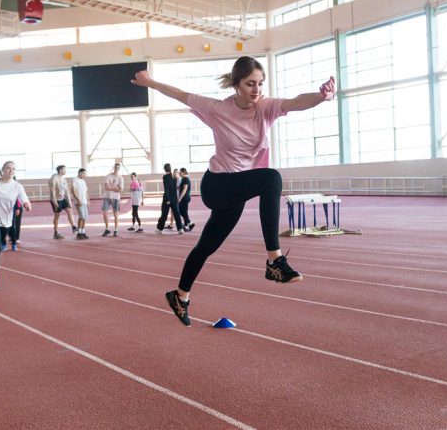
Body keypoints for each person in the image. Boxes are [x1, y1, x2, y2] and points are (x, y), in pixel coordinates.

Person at [131, 56, 335, 326]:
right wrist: (149, 82)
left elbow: (295, 102)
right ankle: (274, 260)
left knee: (206, 247)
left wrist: (321, 97)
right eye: (250, 84)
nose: (256, 89)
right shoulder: (217, 109)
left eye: (260, 83)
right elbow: (180, 94)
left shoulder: (265, 107)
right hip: (216, 185)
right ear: (236, 84)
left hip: (236, 190)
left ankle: (180, 296)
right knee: (271, 178)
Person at [49, 165, 76, 239]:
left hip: (62, 199)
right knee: (57, 215)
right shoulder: (54, 178)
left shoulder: (63, 179)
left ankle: (73, 226)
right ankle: (56, 232)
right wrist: (54, 201)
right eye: (64, 170)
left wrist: (69, 202)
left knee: (70, 211)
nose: (65, 171)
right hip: (56, 200)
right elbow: (52, 190)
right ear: (60, 170)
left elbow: (66, 191)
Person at [155, 163, 184, 235]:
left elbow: (166, 189)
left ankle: (160, 229)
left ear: (164, 169)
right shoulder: (174, 176)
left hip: (167, 199)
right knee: (176, 213)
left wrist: (168, 199)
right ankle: (180, 229)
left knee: (164, 214)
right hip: (174, 198)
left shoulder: (165, 177)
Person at [101, 162, 124, 237]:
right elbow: (106, 187)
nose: (117, 168)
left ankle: (116, 230)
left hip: (116, 197)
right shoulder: (108, 176)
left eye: (118, 167)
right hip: (107, 196)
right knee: (104, 213)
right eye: (116, 167)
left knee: (116, 214)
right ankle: (107, 229)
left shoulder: (121, 178)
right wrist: (115, 188)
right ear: (114, 167)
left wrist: (111, 187)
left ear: (119, 169)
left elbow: (120, 190)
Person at [72, 168, 90, 239]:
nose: (85, 175)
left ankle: (83, 232)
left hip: (85, 201)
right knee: (81, 216)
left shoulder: (83, 182)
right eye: (84, 173)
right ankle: (79, 233)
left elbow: (86, 192)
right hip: (79, 201)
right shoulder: (74, 180)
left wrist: (88, 200)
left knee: (84, 217)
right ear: (80, 173)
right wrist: (78, 199)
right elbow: (73, 190)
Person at [178, 167, 195, 232]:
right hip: (184, 198)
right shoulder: (183, 179)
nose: (179, 173)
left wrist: (179, 198)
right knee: (182, 211)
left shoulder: (185, 179)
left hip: (185, 198)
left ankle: (188, 224)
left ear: (183, 172)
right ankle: (189, 224)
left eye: (180, 172)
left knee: (183, 212)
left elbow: (184, 189)